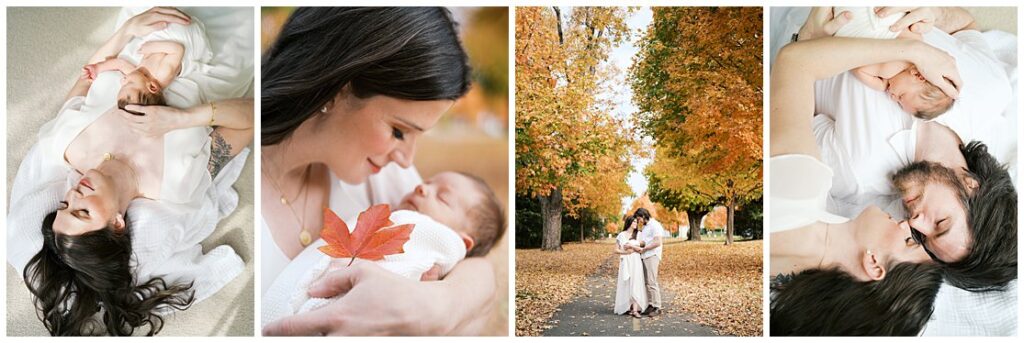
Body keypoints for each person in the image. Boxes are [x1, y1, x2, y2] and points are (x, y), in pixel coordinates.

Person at [13, 7, 254, 336]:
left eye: (65, 205)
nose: (73, 194)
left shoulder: (68, 148)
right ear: (117, 222)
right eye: (82, 211)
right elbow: (252, 118)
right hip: (216, 59)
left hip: (146, 37)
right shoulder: (173, 185)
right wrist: (180, 119)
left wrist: (126, 30)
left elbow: (87, 78)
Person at [260, 7, 498, 335]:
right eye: (399, 131)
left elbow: (475, 261)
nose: (405, 159)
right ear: (338, 87)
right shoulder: (222, 187)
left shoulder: (385, 178)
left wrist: (436, 307)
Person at [769, 11, 967, 334]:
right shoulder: (788, 276)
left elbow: (794, 63)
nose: (908, 222)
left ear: (874, 264)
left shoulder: (801, 194)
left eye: (909, 241)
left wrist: (914, 53)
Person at [796, 6, 1016, 291]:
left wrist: (806, 38)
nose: (915, 222)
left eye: (923, 238)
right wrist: (934, 13)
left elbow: (789, 88)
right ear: (972, 185)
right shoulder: (993, 92)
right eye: (940, 223)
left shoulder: (855, 172)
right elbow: (965, 25)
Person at [262, 172, 506, 324]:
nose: (422, 188)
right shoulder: (391, 206)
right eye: (427, 182)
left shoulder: (434, 237)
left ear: (462, 242)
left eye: (442, 197)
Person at [613, 215, 647, 318]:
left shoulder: (639, 234)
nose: (636, 224)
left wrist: (632, 246)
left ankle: (635, 309)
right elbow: (616, 250)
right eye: (634, 222)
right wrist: (625, 252)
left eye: (637, 222)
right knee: (626, 283)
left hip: (636, 261)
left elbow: (642, 248)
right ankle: (628, 307)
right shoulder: (621, 235)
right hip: (625, 261)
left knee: (636, 283)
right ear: (629, 223)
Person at [633, 208, 664, 316]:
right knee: (646, 282)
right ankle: (651, 304)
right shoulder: (645, 227)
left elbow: (657, 242)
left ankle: (657, 307)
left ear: (644, 216)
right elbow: (644, 242)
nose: (639, 221)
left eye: (639, 218)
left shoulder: (655, 225)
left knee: (652, 281)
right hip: (645, 255)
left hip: (652, 255)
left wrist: (645, 249)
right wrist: (634, 244)